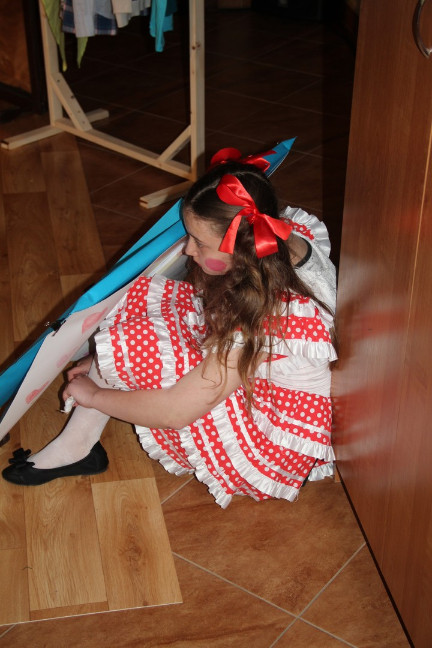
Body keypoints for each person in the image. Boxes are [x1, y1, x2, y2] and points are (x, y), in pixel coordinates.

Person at [2, 149, 337, 508]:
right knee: (140, 306)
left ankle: (77, 445)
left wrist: (93, 395)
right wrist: (103, 361)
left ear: (242, 248)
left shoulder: (267, 313)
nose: (188, 249)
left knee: (140, 336)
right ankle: (81, 433)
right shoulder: (280, 240)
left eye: (200, 242)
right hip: (253, 372)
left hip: (270, 437)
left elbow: (176, 411)